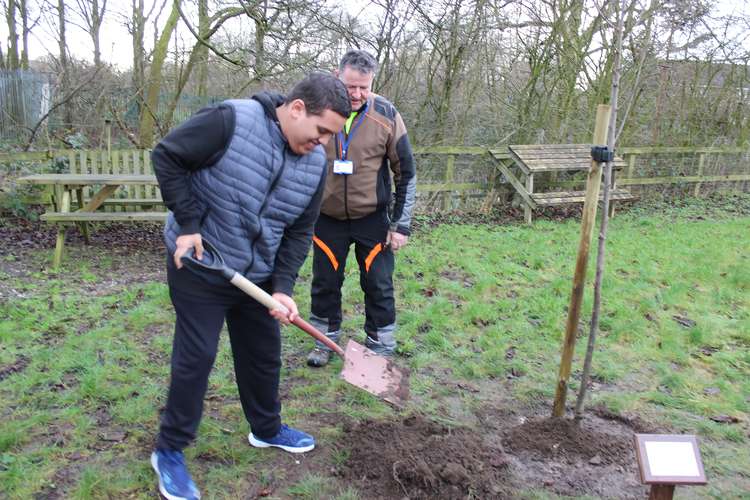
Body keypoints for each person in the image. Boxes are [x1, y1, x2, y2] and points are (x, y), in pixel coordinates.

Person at [149, 73, 350, 500]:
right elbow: (168, 156)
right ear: (297, 109)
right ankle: (170, 450)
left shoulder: (315, 164)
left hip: (255, 274)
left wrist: (281, 287)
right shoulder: (231, 120)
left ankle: (267, 428)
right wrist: (187, 224)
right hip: (201, 263)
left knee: (263, 353)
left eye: (331, 137)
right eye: (321, 132)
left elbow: (300, 231)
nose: (323, 144)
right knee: (197, 356)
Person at [306, 50, 416, 368]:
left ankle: (380, 346)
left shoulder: (386, 114)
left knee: (379, 283)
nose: (356, 94)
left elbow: (406, 171)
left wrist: (401, 224)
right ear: (336, 75)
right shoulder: (317, 110)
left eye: (363, 88)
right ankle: (324, 341)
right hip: (327, 218)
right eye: (350, 86)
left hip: (373, 219)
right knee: (325, 282)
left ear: (372, 84)